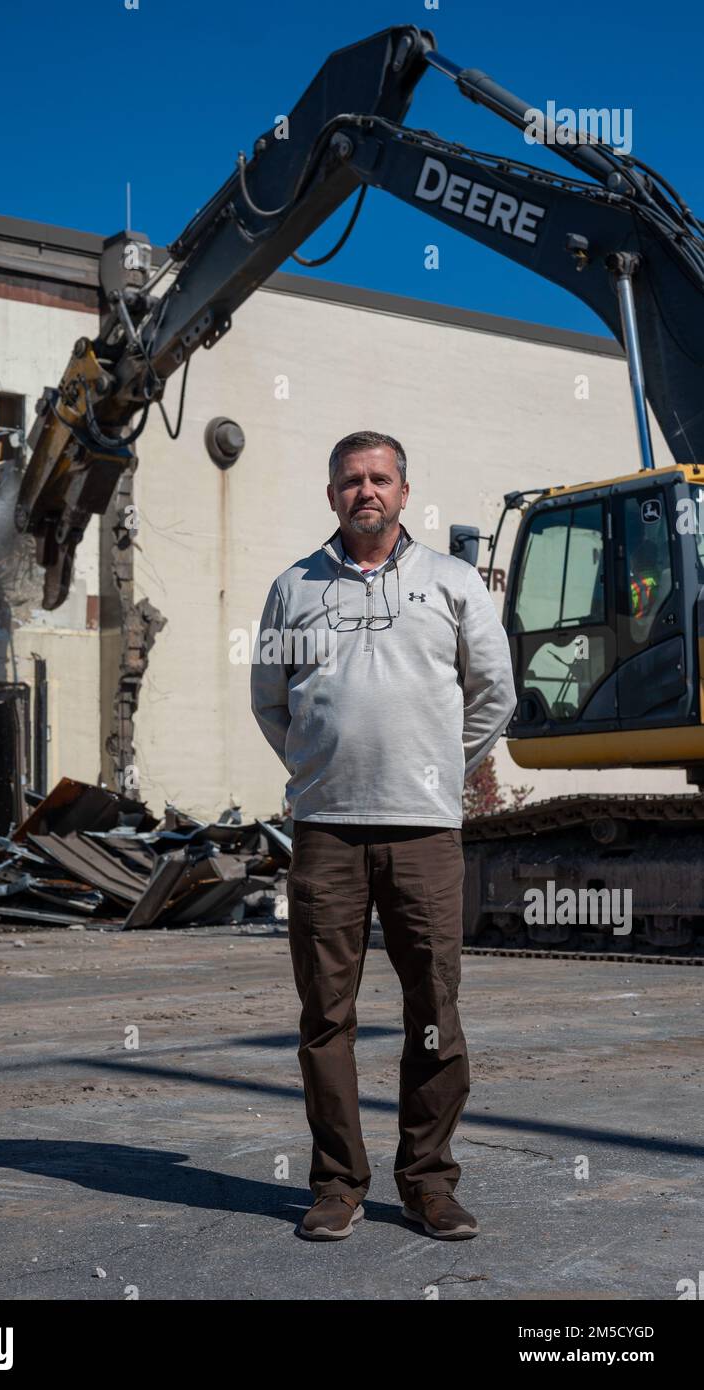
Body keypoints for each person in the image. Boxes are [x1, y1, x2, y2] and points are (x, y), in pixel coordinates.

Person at [250, 430, 517, 1242]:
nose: (365, 491)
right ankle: (337, 1185)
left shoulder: (453, 582)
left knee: (432, 1007)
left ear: (405, 491)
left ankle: (428, 1182)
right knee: (324, 1016)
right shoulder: (292, 589)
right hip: (326, 835)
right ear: (332, 494)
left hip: (424, 834)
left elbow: (495, 695)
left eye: (380, 479)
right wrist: (316, 773)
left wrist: (438, 768)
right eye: (350, 480)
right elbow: (271, 700)